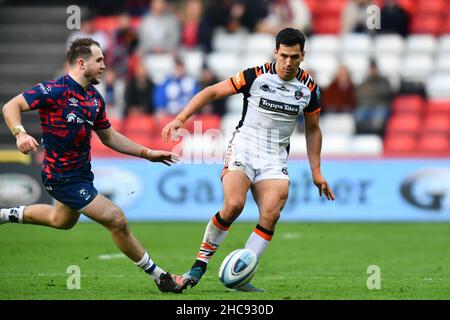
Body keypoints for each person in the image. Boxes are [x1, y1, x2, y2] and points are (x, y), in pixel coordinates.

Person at [160, 28, 335, 293]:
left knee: (271, 213)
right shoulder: (255, 76)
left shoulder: (309, 88)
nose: (289, 63)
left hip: (275, 158)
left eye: (295, 57)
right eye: (284, 56)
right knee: (233, 205)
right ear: (275, 52)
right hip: (244, 148)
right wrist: (181, 118)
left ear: (303, 56)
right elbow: (212, 92)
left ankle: (238, 274)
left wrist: (317, 171)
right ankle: (198, 266)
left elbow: (312, 129)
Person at [0, 38, 179, 293]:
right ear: (82, 63)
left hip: (82, 174)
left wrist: (147, 153)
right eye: (99, 60)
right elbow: (11, 106)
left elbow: (109, 136)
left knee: (60, 220)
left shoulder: (94, 98)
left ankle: (7, 214)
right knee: (116, 219)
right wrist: (20, 133)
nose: (105, 65)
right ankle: (159, 276)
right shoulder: (55, 90)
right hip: (60, 176)